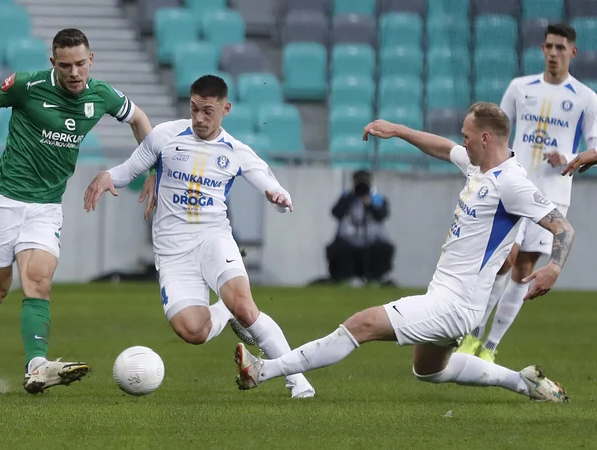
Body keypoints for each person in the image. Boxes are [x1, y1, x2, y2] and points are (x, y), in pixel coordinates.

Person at [233, 103, 573, 403]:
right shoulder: (478, 166)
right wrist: (397, 130)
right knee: (428, 370)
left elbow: (563, 227)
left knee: (360, 324)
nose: (462, 141)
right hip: (445, 295)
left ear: (486, 138)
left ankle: (264, 370)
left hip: (457, 304)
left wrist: (554, 268)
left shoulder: (511, 183)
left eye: (467, 136)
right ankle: (522, 381)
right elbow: (443, 148)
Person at [0, 29, 155, 394]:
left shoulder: (101, 94)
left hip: (46, 207)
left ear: (91, 60)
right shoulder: (27, 85)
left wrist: (150, 168)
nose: (74, 73)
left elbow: (139, 119)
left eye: (81, 64)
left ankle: (37, 365)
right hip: (1, 199)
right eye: (65, 65)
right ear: (53, 63)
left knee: (38, 281)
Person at [83, 75, 316, 398]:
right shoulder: (165, 135)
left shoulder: (236, 151)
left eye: (208, 111)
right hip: (172, 250)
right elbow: (130, 168)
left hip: (213, 239)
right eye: (194, 109)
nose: (199, 119)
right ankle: (224, 311)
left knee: (247, 308)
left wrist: (278, 196)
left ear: (226, 109)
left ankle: (298, 382)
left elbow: (270, 185)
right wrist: (108, 176)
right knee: (193, 330)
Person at [457, 23, 597, 362]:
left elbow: (594, 149)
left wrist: (573, 159)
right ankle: (471, 338)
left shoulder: (586, 98)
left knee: (521, 269)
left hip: (551, 195)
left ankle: (489, 347)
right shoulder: (520, 88)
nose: (553, 53)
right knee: (500, 262)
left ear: (573, 52)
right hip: (512, 184)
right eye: (549, 46)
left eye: (560, 48)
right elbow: (495, 132)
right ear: (542, 49)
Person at [326, 170, 395, 286]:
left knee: (383, 249)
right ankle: (344, 278)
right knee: (338, 249)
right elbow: (336, 213)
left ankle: (375, 279)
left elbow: (382, 215)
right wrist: (352, 196)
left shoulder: (377, 198)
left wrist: (369, 204)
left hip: (373, 241)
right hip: (349, 241)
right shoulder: (346, 197)